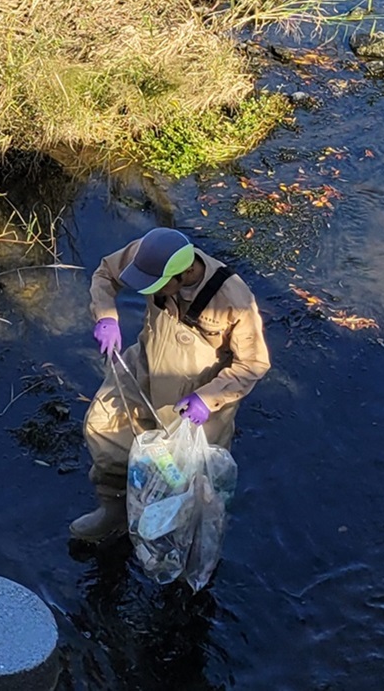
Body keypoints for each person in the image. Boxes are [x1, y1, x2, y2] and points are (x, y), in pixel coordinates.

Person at [71, 227, 270, 544]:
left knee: (186, 476)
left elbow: (253, 364)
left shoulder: (234, 299)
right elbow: (107, 272)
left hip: (195, 396)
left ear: (185, 273)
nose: (147, 290)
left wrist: (207, 399)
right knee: (104, 429)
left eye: (155, 286)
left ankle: (184, 541)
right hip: (145, 366)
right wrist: (106, 317)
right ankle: (115, 511)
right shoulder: (150, 253)